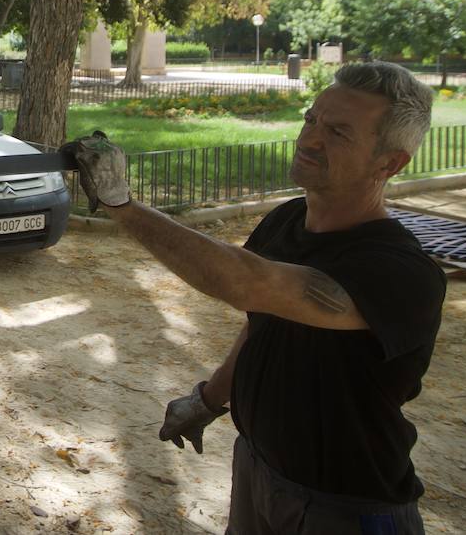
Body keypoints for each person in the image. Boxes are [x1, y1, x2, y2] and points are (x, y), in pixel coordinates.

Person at [63, 62, 445, 535]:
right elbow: (263, 322)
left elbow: (248, 283)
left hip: (347, 507)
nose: (309, 140)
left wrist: (122, 203)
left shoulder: (400, 272)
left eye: (339, 133)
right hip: (258, 469)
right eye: (311, 119)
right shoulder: (287, 221)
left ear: (390, 162)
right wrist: (209, 400)